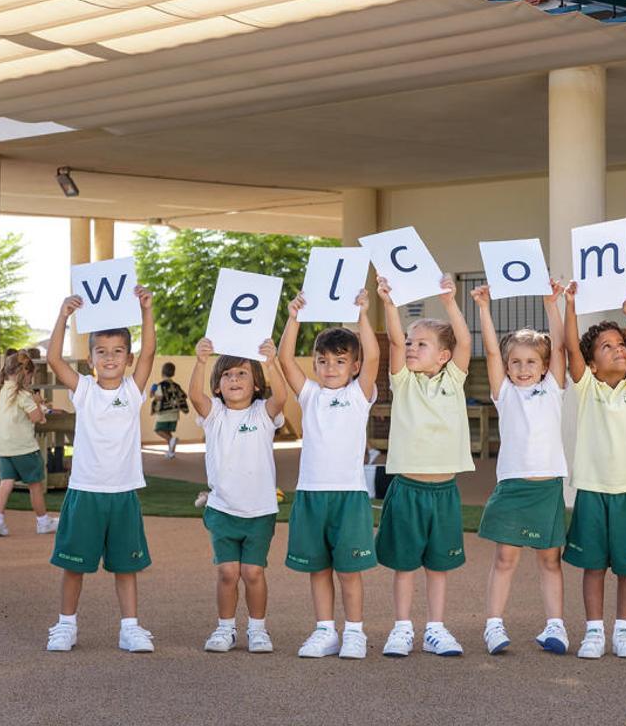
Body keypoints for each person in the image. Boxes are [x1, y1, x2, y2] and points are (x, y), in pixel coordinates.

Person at [44, 286, 157, 653]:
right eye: (102, 351)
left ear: (128, 357)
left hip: (123, 493)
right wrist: (64, 315)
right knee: (74, 566)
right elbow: (54, 359)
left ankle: (130, 628)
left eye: (118, 351)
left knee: (126, 567)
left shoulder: (133, 390)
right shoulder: (84, 389)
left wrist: (146, 311)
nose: (110, 357)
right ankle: (65, 625)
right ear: (90, 357)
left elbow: (150, 351)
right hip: (86, 492)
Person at [562, 284, 626, 660]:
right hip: (593, 489)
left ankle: (623, 631)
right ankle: (594, 631)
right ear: (592, 364)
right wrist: (570, 305)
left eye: (621, 343)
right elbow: (571, 348)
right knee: (593, 567)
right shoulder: (587, 388)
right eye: (607, 346)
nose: (618, 348)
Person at [277, 290, 380, 659]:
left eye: (340, 361)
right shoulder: (309, 395)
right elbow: (284, 358)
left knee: (349, 571)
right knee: (318, 569)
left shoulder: (359, 394)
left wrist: (363, 315)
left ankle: (354, 632)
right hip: (311, 494)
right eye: (322, 361)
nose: (330, 368)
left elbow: (375, 356)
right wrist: (293, 317)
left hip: (349, 495)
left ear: (354, 366)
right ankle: (325, 631)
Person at [374, 273, 473, 658]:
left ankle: (435, 629)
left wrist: (449, 301)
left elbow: (465, 341)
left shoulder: (455, 378)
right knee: (405, 566)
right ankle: (402, 628)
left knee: (438, 566)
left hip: (444, 492)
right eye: (411, 342)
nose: (412, 348)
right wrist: (389, 305)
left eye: (422, 344)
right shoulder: (403, 381)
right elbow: (395, 341)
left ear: (443, 356)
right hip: (408, 490)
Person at [470, 280, 569, 656]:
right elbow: (491, 351)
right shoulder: (505, 392)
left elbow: (560, 347)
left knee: (550, 561)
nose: (523, 368)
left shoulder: (553, 387)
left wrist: (551, 303)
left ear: (544, 367)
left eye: (531, 362)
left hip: (546, 488)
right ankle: (494, 625)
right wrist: (483, 308)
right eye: (516, 362)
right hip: (513, 488)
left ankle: (556, 625)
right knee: (505, 558)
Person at [190, 336, 287, 654]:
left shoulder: (262, 413)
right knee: (227, 572)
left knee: (253, 572)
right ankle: (225, 629)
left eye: (242, 373)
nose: (234, 379)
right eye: (227, 374)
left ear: (257, 384)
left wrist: (272, 362)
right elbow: (195, 396)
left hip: (260, 511)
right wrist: (201, 361)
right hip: (222, 509)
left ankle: (257, 630)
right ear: (218, 386)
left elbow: (281, 397)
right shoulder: (215, 413)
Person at [0, 349, 60, 537]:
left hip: (5, 449)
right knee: (35, 485)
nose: (30, 380)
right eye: (30, 376)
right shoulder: (23, 395)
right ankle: (43, 521)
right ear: (25, 373)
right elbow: (36, 417)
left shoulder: (0, 392)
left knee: (5, 483)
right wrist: (38, 403)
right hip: (25, 448)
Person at [150, 362, 188, 459]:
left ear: (162, 372)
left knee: (159, 430)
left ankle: (171, 440)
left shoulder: (160, 386)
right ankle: (171, 452)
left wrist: (152, 392)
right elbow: (184, 395)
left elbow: (157, 397)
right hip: (175, 414)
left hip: (164, 414)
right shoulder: (176, 386)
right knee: (167, 432)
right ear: (173, 373)